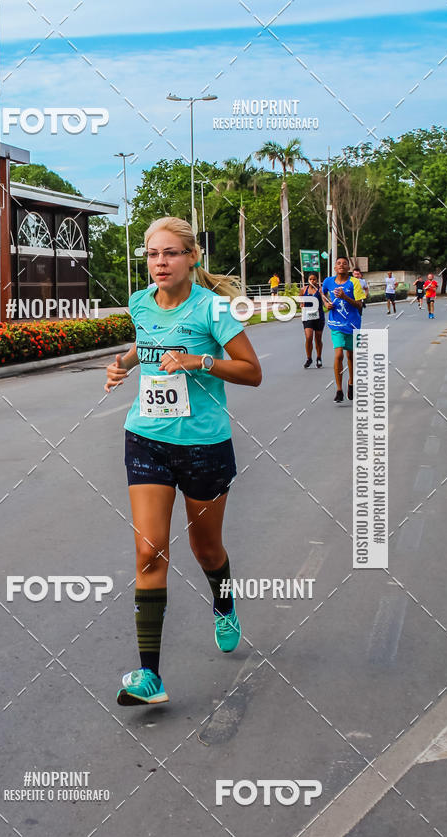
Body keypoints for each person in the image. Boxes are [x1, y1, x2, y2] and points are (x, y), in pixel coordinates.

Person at [104, 216, 262, 705]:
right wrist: (124, 364)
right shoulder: (139, 303)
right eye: (153, 254)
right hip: (146, 437)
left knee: (206, 549)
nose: (160, 262)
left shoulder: (213, 309)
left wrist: (201, 361)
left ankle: (223, 601)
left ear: (192, 258)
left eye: (171, 253)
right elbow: (144, 343)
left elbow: (252, 372)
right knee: (148, 552)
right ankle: (150, 676)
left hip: (204, 446)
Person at [322, 257, 365, 403]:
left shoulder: (355, 282)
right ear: (335, 267)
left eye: (344, 264)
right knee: (339, 354)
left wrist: (345, 297)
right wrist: (326, 303)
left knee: (351, 356)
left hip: (353, 324)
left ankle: (351, 383)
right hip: (336, 323)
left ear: (348, 268)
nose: (341, 265)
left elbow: (359, 305)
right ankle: (339, 389)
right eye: (338, 263)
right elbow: (322, 293)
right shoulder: (328, 281)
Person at [298, 272, 325, 368]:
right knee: (309, 337)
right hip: (307, 316)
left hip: (319, 316)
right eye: (310, 279)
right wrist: (301, 303)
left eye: (314, 279)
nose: (312, 281)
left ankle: (319, 357)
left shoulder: (320, 289)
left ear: (317, 280)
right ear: (308, 280)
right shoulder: (304, 289)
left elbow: (325, 300)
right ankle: (309, 358)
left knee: (318, 338)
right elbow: (300, 298)